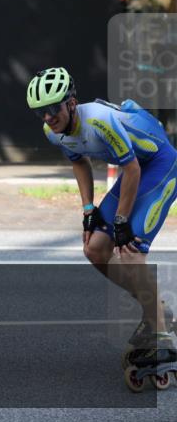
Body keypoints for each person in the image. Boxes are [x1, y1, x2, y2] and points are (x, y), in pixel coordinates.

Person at [26, 67, 177, 372]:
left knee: (131, 249)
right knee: (95, 249)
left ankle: (162, 337)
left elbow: (132, 170)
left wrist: (121, 221)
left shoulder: (98, 121)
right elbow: (79, 163)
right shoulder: (53, 132)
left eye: (53, 109)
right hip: (136, 168)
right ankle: (157, 311)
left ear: (71, 102)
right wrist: (87, 210)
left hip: (160, 165)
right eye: (40, 111)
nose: (48, 117)